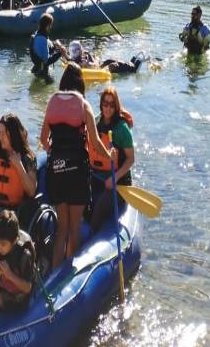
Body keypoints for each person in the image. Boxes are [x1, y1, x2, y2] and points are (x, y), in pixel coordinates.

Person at [40, 63, 111, 268]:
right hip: (78, 172)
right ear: (81, 84)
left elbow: (44, 139)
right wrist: (110, 157)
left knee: (61, 229)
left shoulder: (52, 102)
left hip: (57, 171)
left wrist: (54, 155)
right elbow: (95, 144)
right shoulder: (83, 105)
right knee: (75, 227)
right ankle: (68, 273)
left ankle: (54, 271)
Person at [0, 113, 38, 237]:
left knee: (3, 227)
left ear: (12, 135)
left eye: (3, 134)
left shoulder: (27, 158)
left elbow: (31, 191)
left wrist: (18, 165)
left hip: (13, 214)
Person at [88, 87, 135, 232]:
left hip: (117, 181)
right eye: (105, 104)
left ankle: (93, 237)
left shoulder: (122, 129)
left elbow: (130, 159)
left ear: (116, 106)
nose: (108, 108)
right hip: (97, 175)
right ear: (101, 104)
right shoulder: (96, 122)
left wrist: (114, 179)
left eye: (111, 105)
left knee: (99, 210)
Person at [29, 13, 66, 84]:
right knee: (51, 86)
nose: (51, 27)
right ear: (48, 26)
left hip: (37, 69)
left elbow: (46, 45)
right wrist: (60, 53)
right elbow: (47, 61)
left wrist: (55, 45)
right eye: (51, 25)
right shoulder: (41, 39)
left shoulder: (37, 34)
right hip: (42, 73)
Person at [68, 40, 143, 74]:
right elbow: (94, 66)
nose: (82, 49)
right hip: (98, 70)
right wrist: (93, 58)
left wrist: (90, 56)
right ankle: (133, 69)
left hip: (99, 66)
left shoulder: (76, 59)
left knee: (109, 60)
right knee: (114, 65)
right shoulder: (82, 62)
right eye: (81, 48)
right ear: (79, 50)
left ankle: (130, 64)